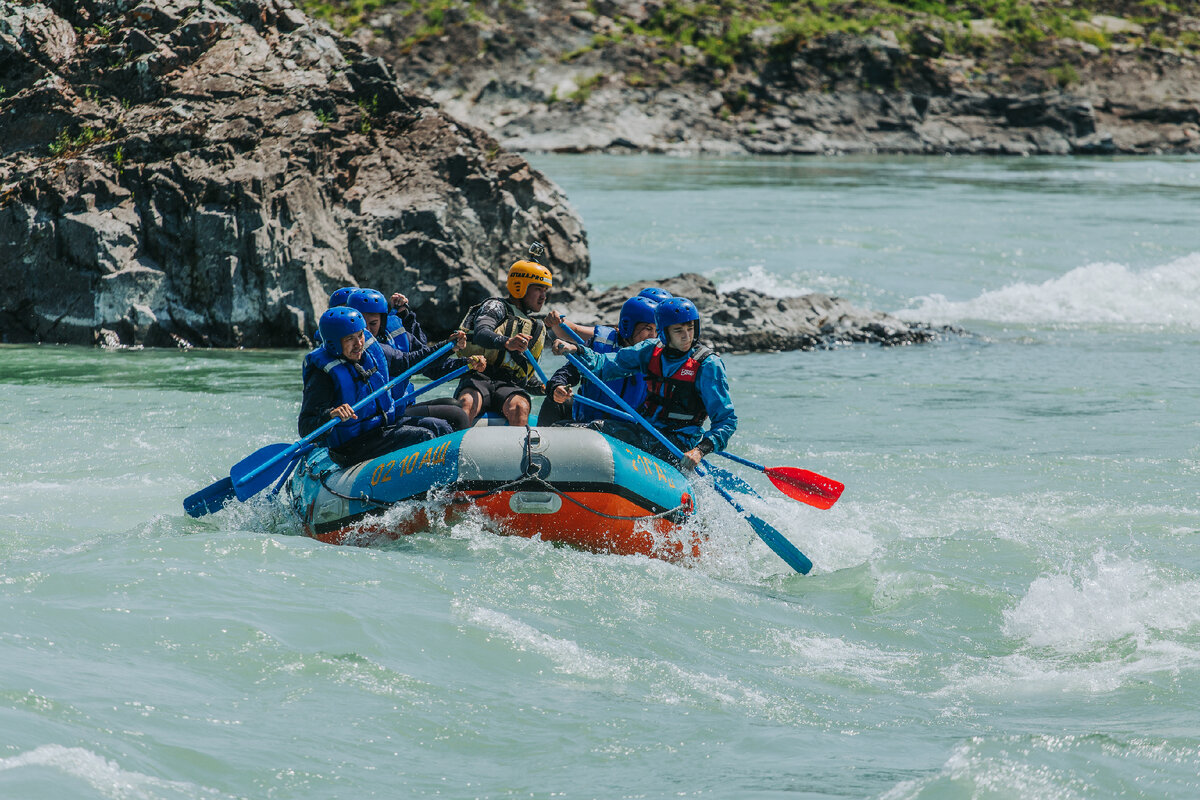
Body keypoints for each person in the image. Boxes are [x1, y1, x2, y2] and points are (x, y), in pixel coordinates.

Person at [552, 297, 736, 471]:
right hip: (645, 431)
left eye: (690, 328)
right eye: (678, 330)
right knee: (578, 430)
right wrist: (576, 349)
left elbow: (726, 421)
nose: (687, 336)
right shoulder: (650, 351)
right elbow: (605, 364)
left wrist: (699, 450)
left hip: (679, 443)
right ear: (665, 333)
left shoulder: (708, 365)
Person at [298, 308, 483, 467]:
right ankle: (433, 494)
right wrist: (331, 414)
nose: (359, 344)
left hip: (381, 429)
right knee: (424, 436)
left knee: (440, 427)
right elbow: (306, 426)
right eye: (349, 339)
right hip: (350, 447)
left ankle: (458, 486)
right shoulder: (322, 375)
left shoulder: (372, 351)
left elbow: (411, 361)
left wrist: (449, 347)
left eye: (360, 335)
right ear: (334, 343)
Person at [346, 288, 475, 432]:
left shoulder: (394, 335)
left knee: (453, 405)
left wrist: (467, 364)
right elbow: (409, 362)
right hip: (379, 417)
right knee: (454, 416)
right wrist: (449, 347)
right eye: (363, 325)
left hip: (399, 406)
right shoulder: (355, 350)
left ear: (383, 321)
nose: (368, 330)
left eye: (373, 323)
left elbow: (432, 367)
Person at [454, 258, 554, 426]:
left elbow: (524, 375)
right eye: (538, 289)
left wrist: (546, 387)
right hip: (479, 376)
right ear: (520, 286)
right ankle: (451, 446)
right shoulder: (496, 306)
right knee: (467, 402)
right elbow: (481, 333)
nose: (543, 296)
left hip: (508, 384)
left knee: (520, 406)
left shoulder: (535, 327)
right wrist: (507, 342)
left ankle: (518, 451)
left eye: (545, 290)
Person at [538, 294, 660, 426]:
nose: (653, 337)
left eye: (656, 330)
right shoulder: (599, 342)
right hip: (588, 422)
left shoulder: (657, 355)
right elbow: (569, 371)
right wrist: (557, 387)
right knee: (553, 401)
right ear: (628, 326)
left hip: (628, 428)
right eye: (648, 329)